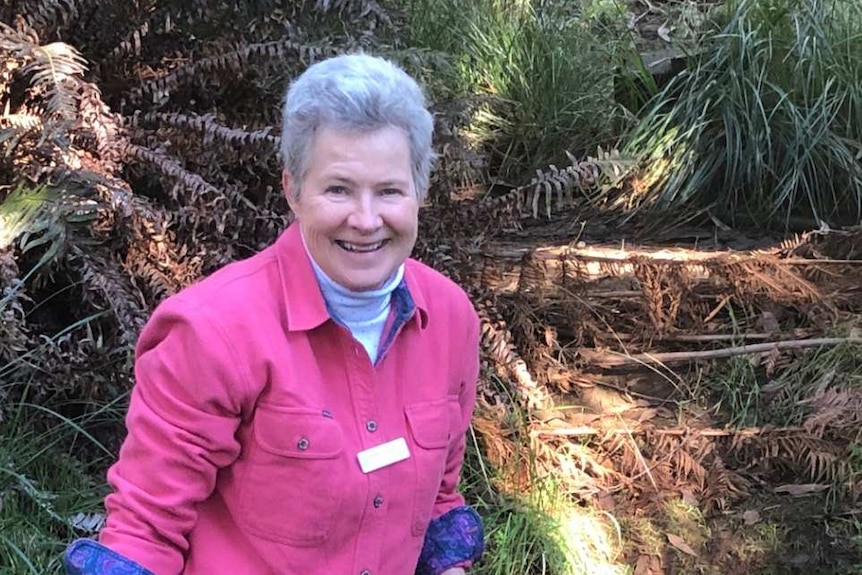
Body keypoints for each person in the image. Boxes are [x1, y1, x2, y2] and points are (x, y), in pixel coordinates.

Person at [62, 53, 484, 575]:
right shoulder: (212, 332)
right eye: (338, 189)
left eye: (390, 191)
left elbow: (438, 497)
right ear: (293, 190)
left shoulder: (451, 319)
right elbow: (146, 530)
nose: (366, 219)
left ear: (420, 192)